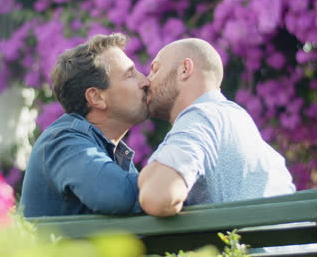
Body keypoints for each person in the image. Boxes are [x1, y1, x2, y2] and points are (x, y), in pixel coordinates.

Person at [138, 38, 296, 217]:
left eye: (155, 69)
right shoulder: (236, 120)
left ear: (185, 69)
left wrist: (147, 175)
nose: (146, 81)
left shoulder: (202, 116)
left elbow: (157, 196)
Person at [19, 33, 150, 217]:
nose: (145, 81)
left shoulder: (112, 150)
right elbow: (116, 195)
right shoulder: (62, 141)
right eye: (130, 75)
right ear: (96, 97)